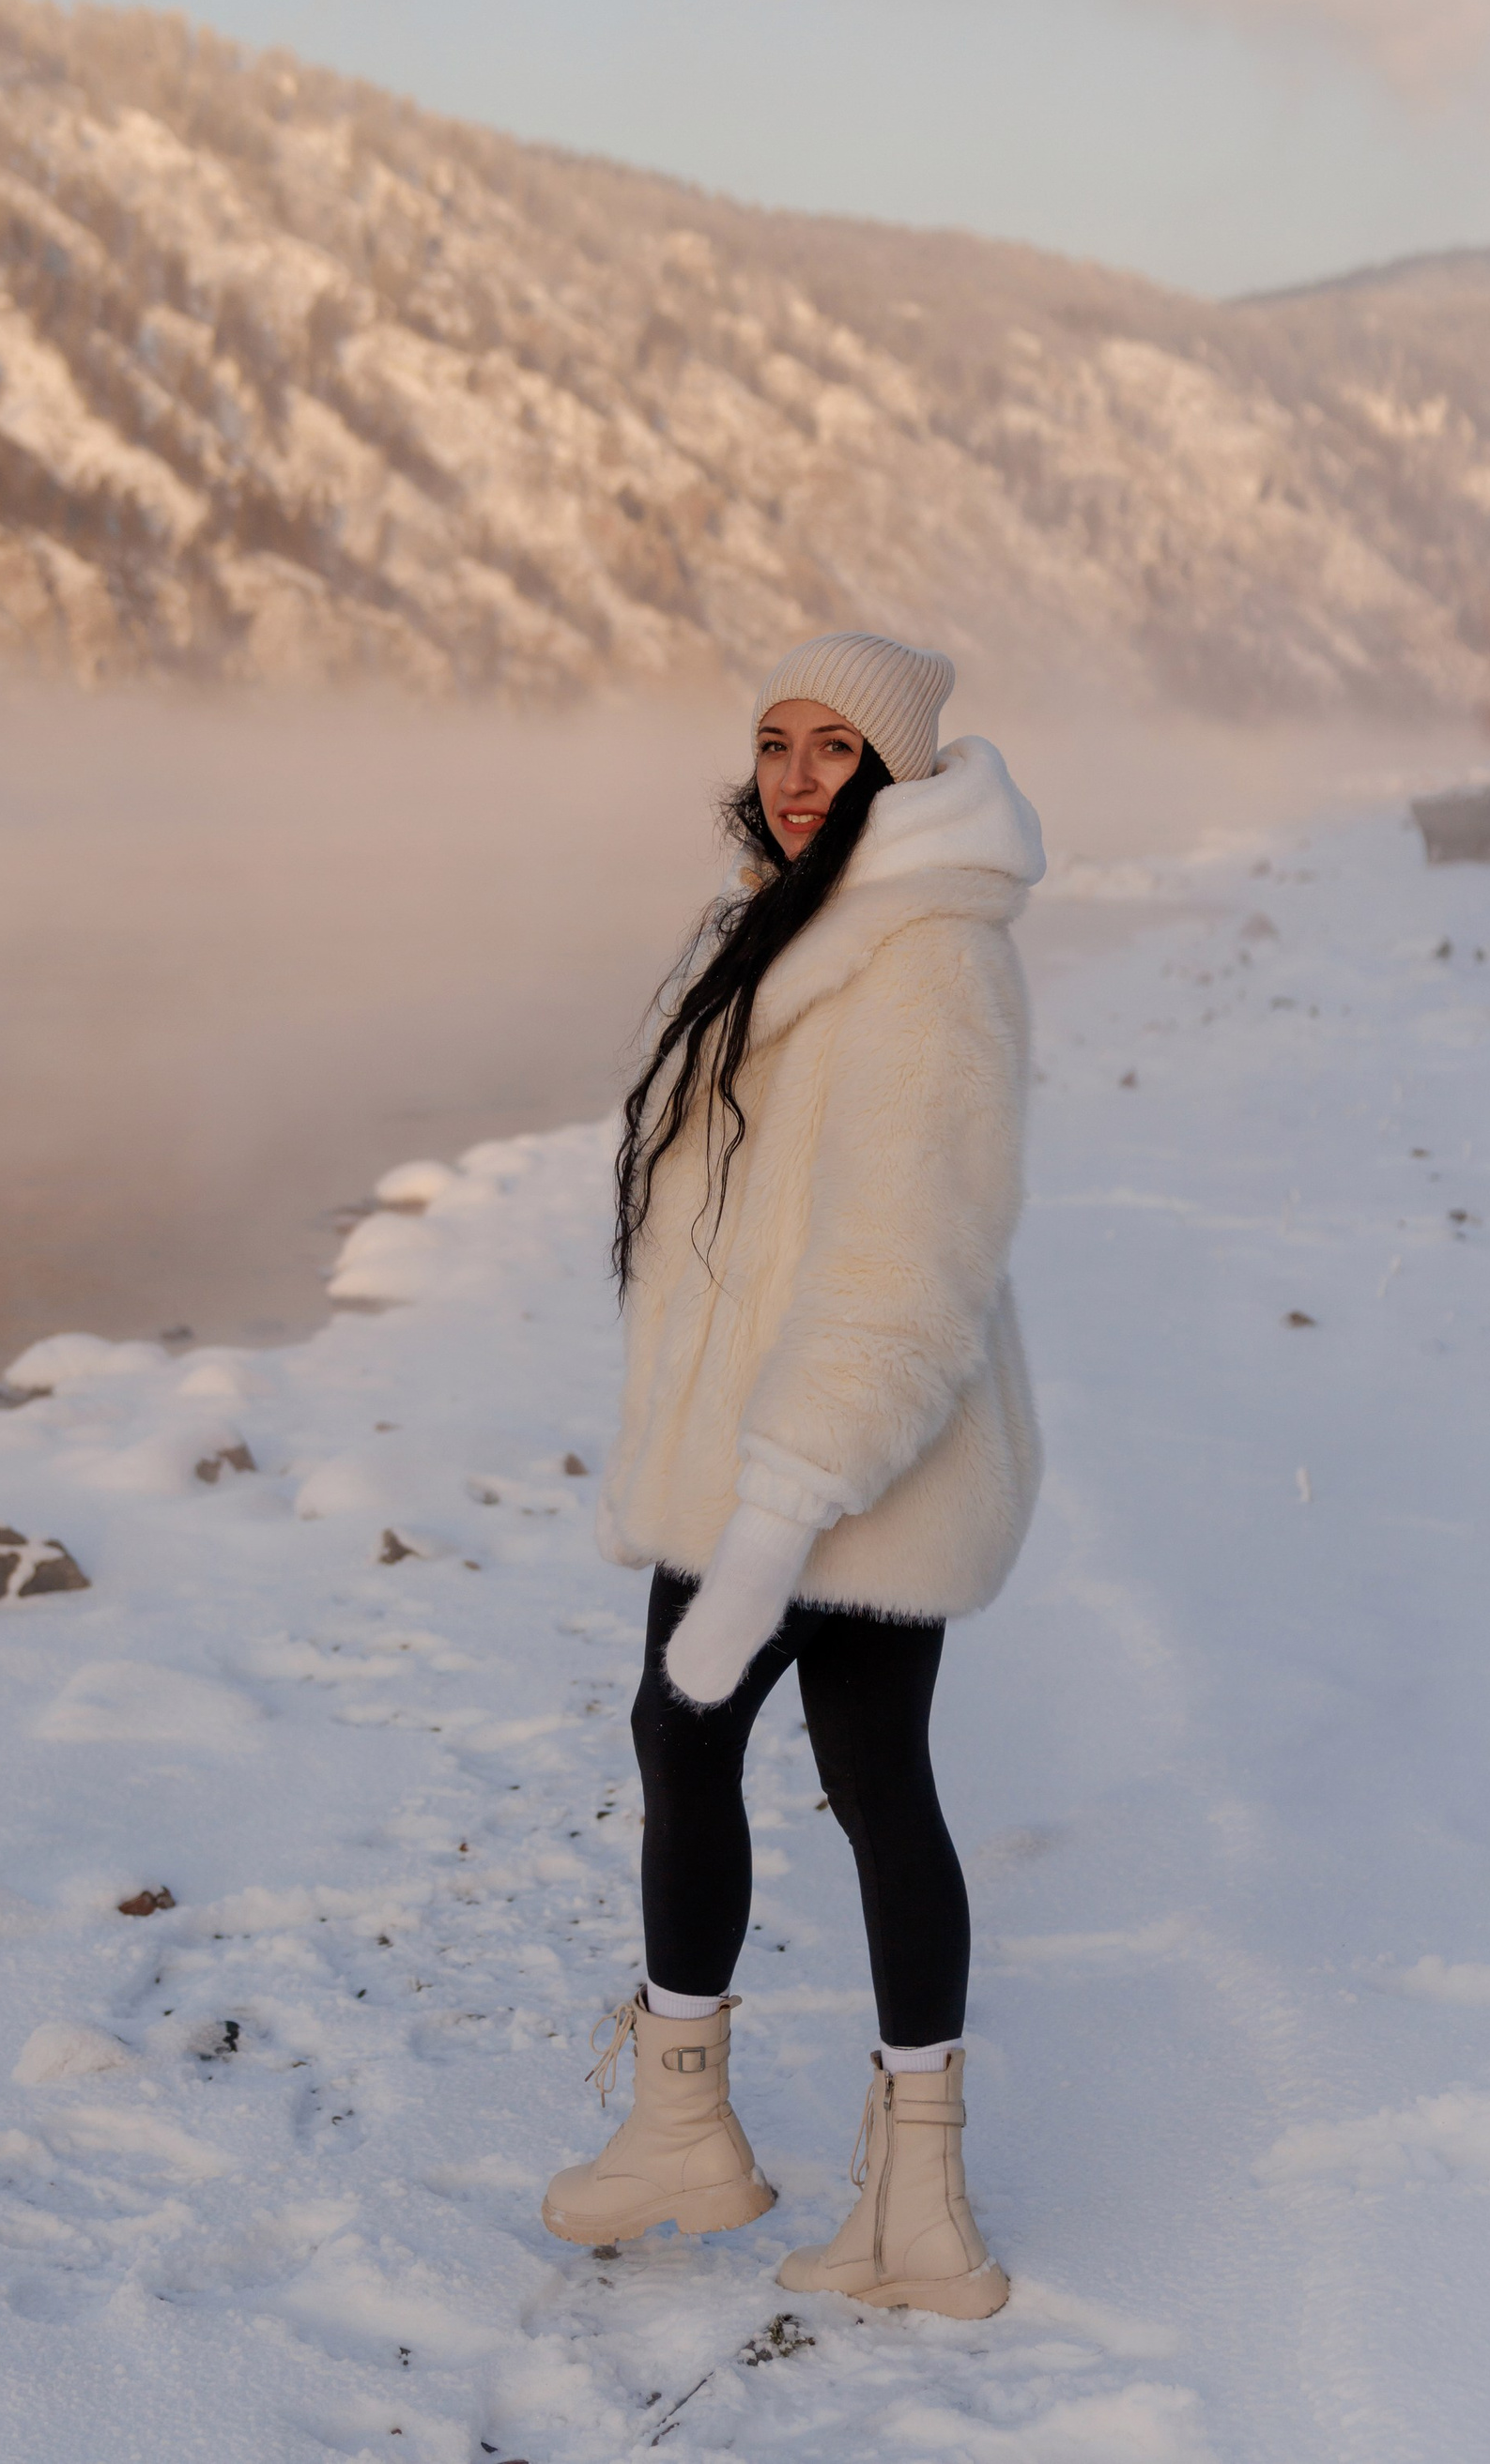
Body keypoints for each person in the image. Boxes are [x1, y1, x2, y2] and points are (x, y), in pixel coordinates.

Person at [541, 630, 1045, 2316]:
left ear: (899, 770)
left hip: (849, 1451)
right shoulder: (770, 928)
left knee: (832, 1768)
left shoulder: (929, 954)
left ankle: (901, 2196)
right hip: (770, 1433)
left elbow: (909, 1262)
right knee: (780, 1757)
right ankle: (788, 2164)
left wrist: (775, 1509)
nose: (800, 771)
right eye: (776, 740)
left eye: (838, 745)